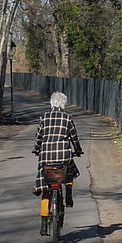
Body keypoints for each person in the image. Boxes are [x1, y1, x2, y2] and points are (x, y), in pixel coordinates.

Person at [33, 91, 83, 235]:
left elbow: (39, 137)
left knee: (46, 190)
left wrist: (37, 149)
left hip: (46, 158)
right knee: (70, 171)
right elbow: (74, 137)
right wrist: (78, 150)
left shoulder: (44, 117)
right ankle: (68, 194)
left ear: (52, 102)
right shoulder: (67, 118)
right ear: (63, 103)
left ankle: (43, 224)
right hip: (63, 157)